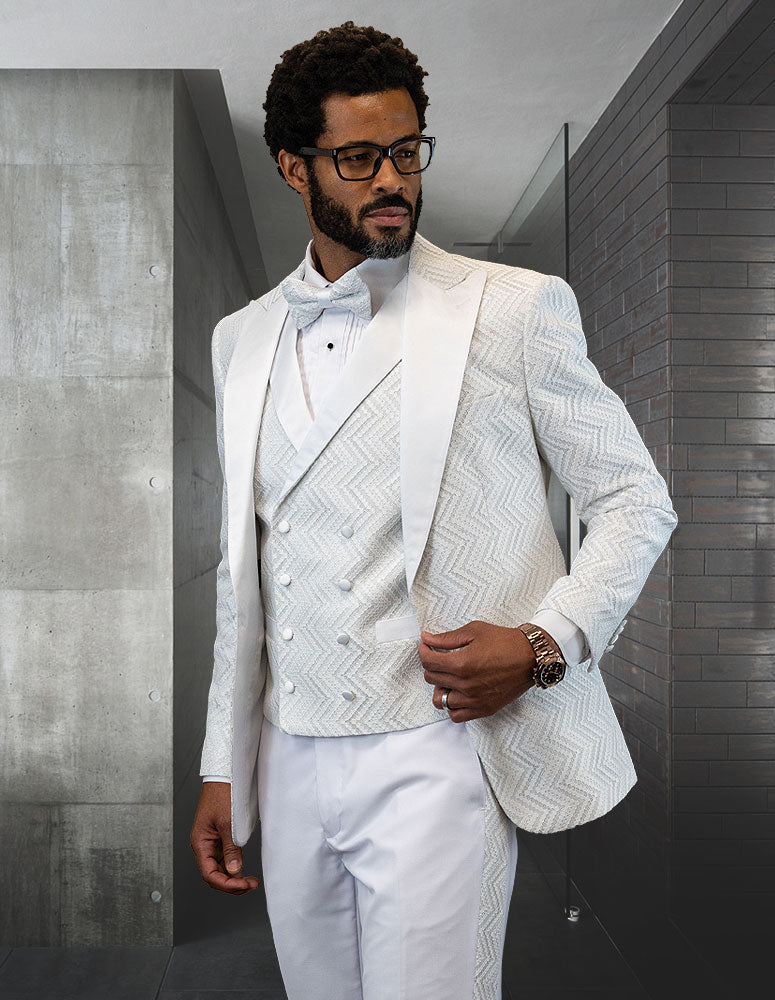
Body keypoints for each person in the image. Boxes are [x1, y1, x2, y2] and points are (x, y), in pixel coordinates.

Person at [190, 21, 678, 1000]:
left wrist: (546, 640)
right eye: (359, 157)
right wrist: (222, 760)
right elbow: (240, 569)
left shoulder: (511, 305)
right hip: (287, 759)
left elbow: (633, 496)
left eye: (407, 151)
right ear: (294, 167)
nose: (393, 181)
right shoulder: (238, 339)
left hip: (436, 749)